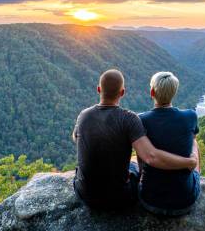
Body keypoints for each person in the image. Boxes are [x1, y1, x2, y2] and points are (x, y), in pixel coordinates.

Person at [72, 69, 197, 210]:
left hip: (84, 194)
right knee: (133, 166)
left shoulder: (84, 115)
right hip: (119, 198)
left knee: (130, 164)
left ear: (99, 89)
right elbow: (150, 156)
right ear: (122, 92)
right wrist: (189, 162)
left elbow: (76, 137)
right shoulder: (129, 119)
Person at [138, 72, 201, 216]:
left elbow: (143, 155)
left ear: (152, 92)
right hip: (184, 201)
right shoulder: (190, 115)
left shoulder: (141, 120)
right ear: (175, 92)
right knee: (194, 141)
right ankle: (195, 175)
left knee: (141, 147)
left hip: (150, 200)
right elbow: (191, 139)